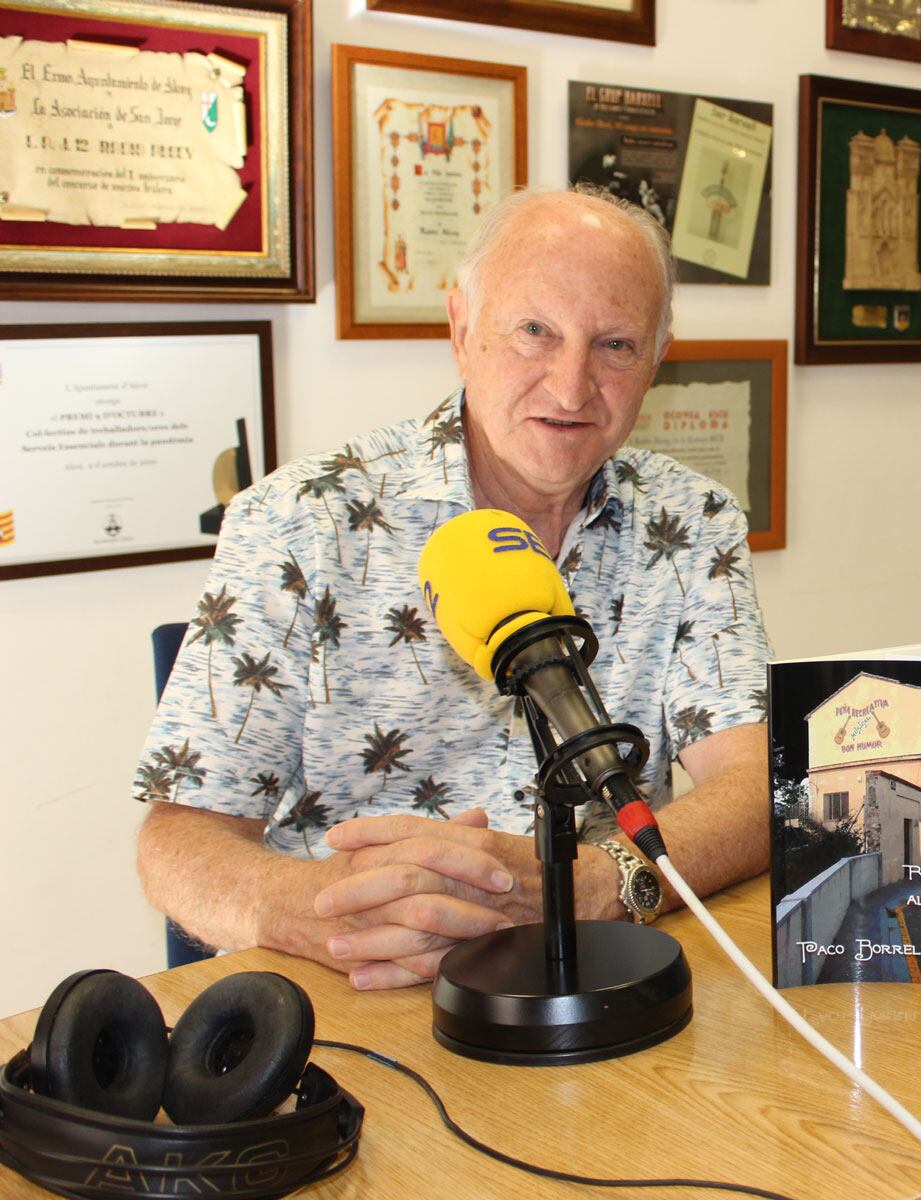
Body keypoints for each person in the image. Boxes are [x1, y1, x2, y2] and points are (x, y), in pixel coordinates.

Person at [135, 185, 773, 989]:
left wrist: (589, 885)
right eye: (534, 331)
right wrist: (316, 905)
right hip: (363, 988)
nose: (572, 386)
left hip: (598, 981)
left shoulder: (692, 520)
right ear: (461, 328)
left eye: (615, 344)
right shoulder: (299, 522)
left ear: (657, 358)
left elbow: (754, 791)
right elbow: (177, 837)